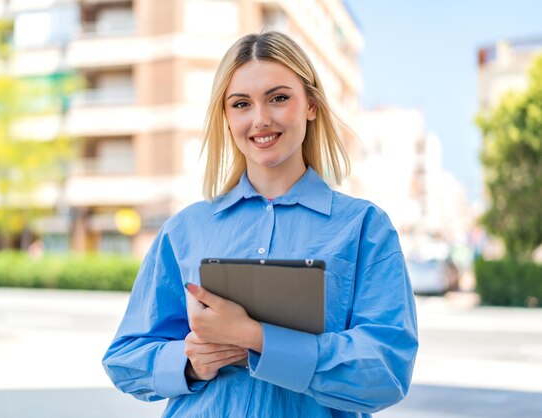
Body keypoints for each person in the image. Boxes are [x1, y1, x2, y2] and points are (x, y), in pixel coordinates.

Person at [102, 31, 418, 418]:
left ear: (312, 105)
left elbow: (386, 371)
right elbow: (124, 357)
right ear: (226, 116)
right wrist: (189, 361)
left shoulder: (364, 228)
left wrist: (254, 338)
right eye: (241, 104)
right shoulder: (185, 230)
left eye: (279, 98)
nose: (260, 119)